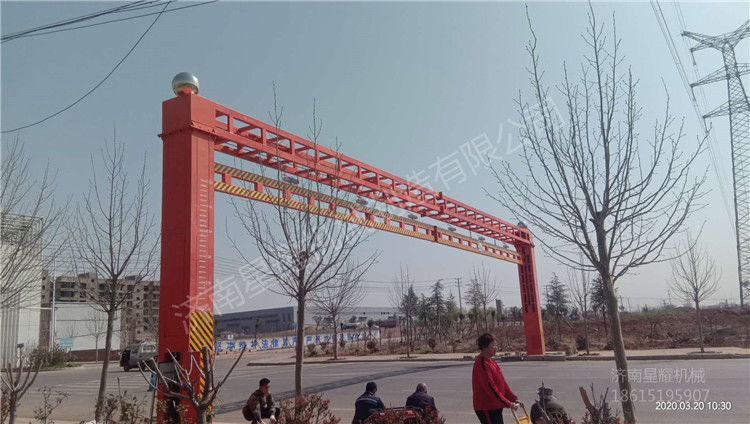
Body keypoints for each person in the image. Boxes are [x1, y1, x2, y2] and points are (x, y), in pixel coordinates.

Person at [472, 333, 523, 424]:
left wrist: (513, 398)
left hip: (496, 406)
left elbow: (502, 383)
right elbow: (491, 388)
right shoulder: (482, 364)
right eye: (493, 345)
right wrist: (508, 403)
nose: (496, 348)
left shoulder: (492, 362)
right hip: (487, 408)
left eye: (496, 345)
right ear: (484, 347)